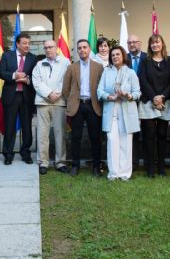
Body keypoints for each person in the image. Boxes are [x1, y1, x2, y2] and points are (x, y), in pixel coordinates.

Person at [97, 46, 141, 180]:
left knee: (126, 143)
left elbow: (137, 93)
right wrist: (110, 97)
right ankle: (113, 173)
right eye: (113, 55)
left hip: (127, 111)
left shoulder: (131, 72)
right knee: (112, 141)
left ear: (123, 56)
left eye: (118, 54)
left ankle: (125, 174)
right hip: (111, 112)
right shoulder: (106, 72)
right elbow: (99, 91)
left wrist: (128, 96)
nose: (115, 57)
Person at [62, 39, 104, 176]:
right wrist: (73, 101)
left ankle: (96, 166)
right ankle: (75, 165)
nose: (82, 50)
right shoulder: (71, 67)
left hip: (93, 105)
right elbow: (66, 89)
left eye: (85, 47)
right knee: (76, 137)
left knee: (95, 137)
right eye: (79, 48)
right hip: (77, 106)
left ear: (89, 49)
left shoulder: (99, 67)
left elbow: (101, 87)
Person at [138, 34, 170, 177]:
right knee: (149, 135)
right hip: (148, 101)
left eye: (157, 42)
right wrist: (154, 97)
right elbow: (143, 80)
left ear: (162, 44)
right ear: (150, 46)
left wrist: (162, 97)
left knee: (162, 134)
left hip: (166, 101)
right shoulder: (145, 61)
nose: (155, 45)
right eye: (152, 43)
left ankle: (161, 167)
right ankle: (150, 168)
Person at [32, 40, 70, 174]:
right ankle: (43, 162)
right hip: (43, 102)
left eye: (50, 47)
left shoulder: (65, 62)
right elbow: (36, 82)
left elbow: (67, 80)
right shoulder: (39, 64)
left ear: (57, 48)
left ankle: (60, 162)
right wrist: (49, 93)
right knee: (43, 134)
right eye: (46, 48)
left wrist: (58, 93)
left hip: (59, 102)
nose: (48, 50)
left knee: (60, 133)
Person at [0, 32, 37, 165]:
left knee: (27, 127)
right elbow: (1, 73)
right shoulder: (7, 55)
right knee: (9, 126)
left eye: (29, 43)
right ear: (17, 44)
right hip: (11, 96)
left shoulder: (33, 58)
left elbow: (36, 76)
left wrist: (28, 80)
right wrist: (15, 75)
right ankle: (8, 154)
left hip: (27, 96)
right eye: (25, 43)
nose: (27, 45)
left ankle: (26, 153)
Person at [127, 34, 146, 168]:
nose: (132, 44)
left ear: (140, 43)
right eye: (129, 43)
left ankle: (147, 161)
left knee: (147, 132)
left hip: (146, 99)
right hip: (129, 100)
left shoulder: (148, 57)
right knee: (132, 131)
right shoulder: (124, 58)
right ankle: (133, 162)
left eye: (135, 42)